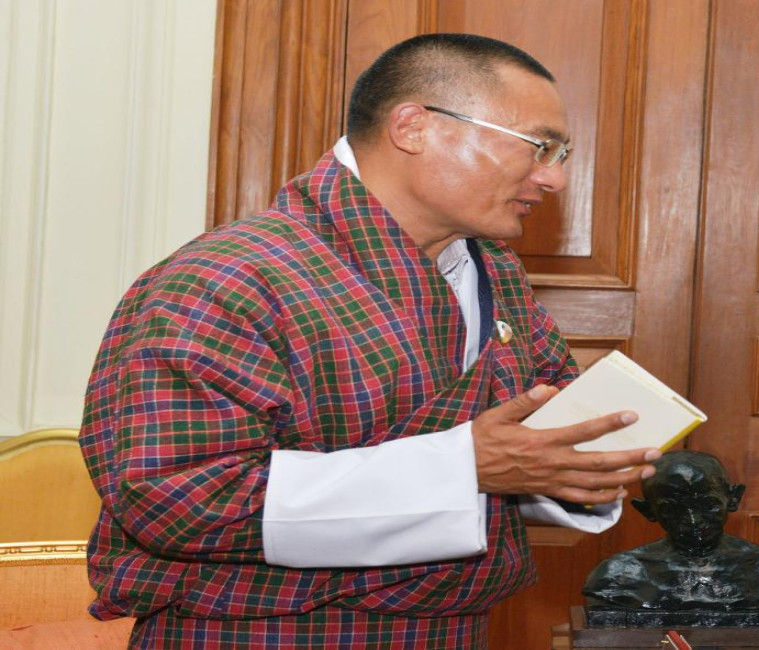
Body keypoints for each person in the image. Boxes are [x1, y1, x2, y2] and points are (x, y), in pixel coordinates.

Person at [78, 33, 661, 648]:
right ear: (413, 127)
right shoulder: (227, 277)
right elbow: (174, 498)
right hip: (262, 634)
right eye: (540, 147)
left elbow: (532, 439)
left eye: (561, 154)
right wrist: (462, 467)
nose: (554, 178)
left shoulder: (495, 272)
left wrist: (573, 462)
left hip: (453, 630)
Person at [583, 451, 759, 612]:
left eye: (707, 505)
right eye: (672, 509)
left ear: (733, 499)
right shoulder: (621, 574)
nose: (692, 520)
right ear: (648, 511)